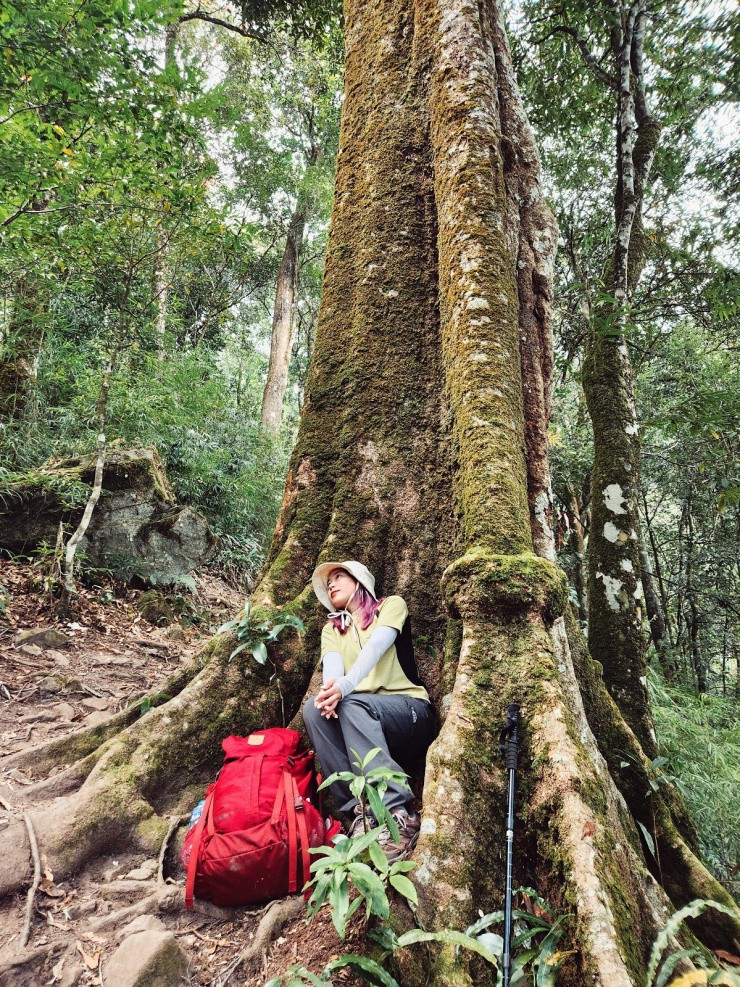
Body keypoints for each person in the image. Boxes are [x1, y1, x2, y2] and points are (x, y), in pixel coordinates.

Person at [302, 560, 436, 861]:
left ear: (359, 580)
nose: (332, 584)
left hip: (409, 713)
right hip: (360, 724)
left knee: (351, 702)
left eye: (339, 577)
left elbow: (376, 648)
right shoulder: (332, 630)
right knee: (314, 710)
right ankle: (362, 812)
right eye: (328, 583)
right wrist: (329, 694)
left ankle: (399, 813)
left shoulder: (390, 606)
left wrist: (345, 688)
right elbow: (332, 675)